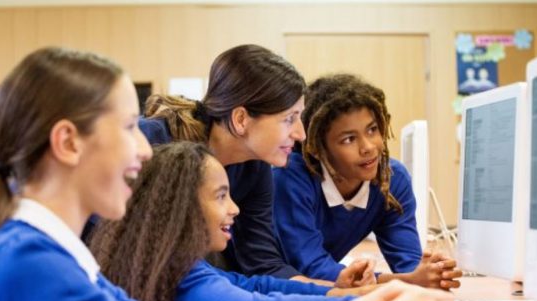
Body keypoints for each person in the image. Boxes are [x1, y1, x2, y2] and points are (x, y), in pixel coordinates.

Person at [0, 47, 461, 301]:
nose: (146, 149)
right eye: (129, 127)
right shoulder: (29, 264)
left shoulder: (49, 254)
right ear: (68, 143)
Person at [137, 44, 375, 287]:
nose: (301, 134)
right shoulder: (151, 144)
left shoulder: (255, 167)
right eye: (289, 119)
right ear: (241, 119)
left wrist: (334, 288)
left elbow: (262, 262)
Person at [90, 141, 365, 301]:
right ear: (181, 206)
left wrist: (342, 294)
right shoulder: (179, 278)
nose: (235, 208)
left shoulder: (179, 265)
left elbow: (255, 287)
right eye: (221, 196)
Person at [273, 74, 462, 290]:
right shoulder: (290, 177)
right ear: (316, 148)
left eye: (372, 130)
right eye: (349, 139)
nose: (368, 147)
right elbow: (311, 267)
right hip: (274, 289)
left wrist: (429, 274)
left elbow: (408, 265)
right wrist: (404, 281)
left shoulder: (391, 179)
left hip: (322, 292)